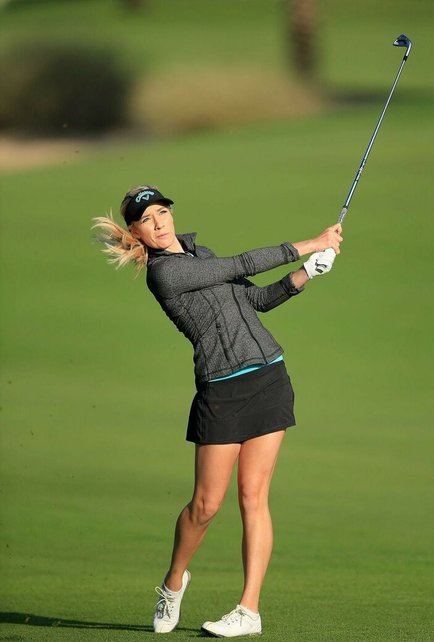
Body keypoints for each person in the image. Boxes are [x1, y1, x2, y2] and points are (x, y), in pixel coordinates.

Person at [93, 185, 343, 637]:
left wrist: (305, 274)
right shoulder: (164, 275)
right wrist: (311, 242)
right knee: (206, 505)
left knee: (253, 497)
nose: (159, 223)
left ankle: (249, 610)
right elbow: (241, 264)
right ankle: (174, 582)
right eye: (147, 219)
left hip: (269, 379)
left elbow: (255, 300)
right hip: (222, 392)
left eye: (162, 212)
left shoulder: (200, 255)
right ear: (136, 233)